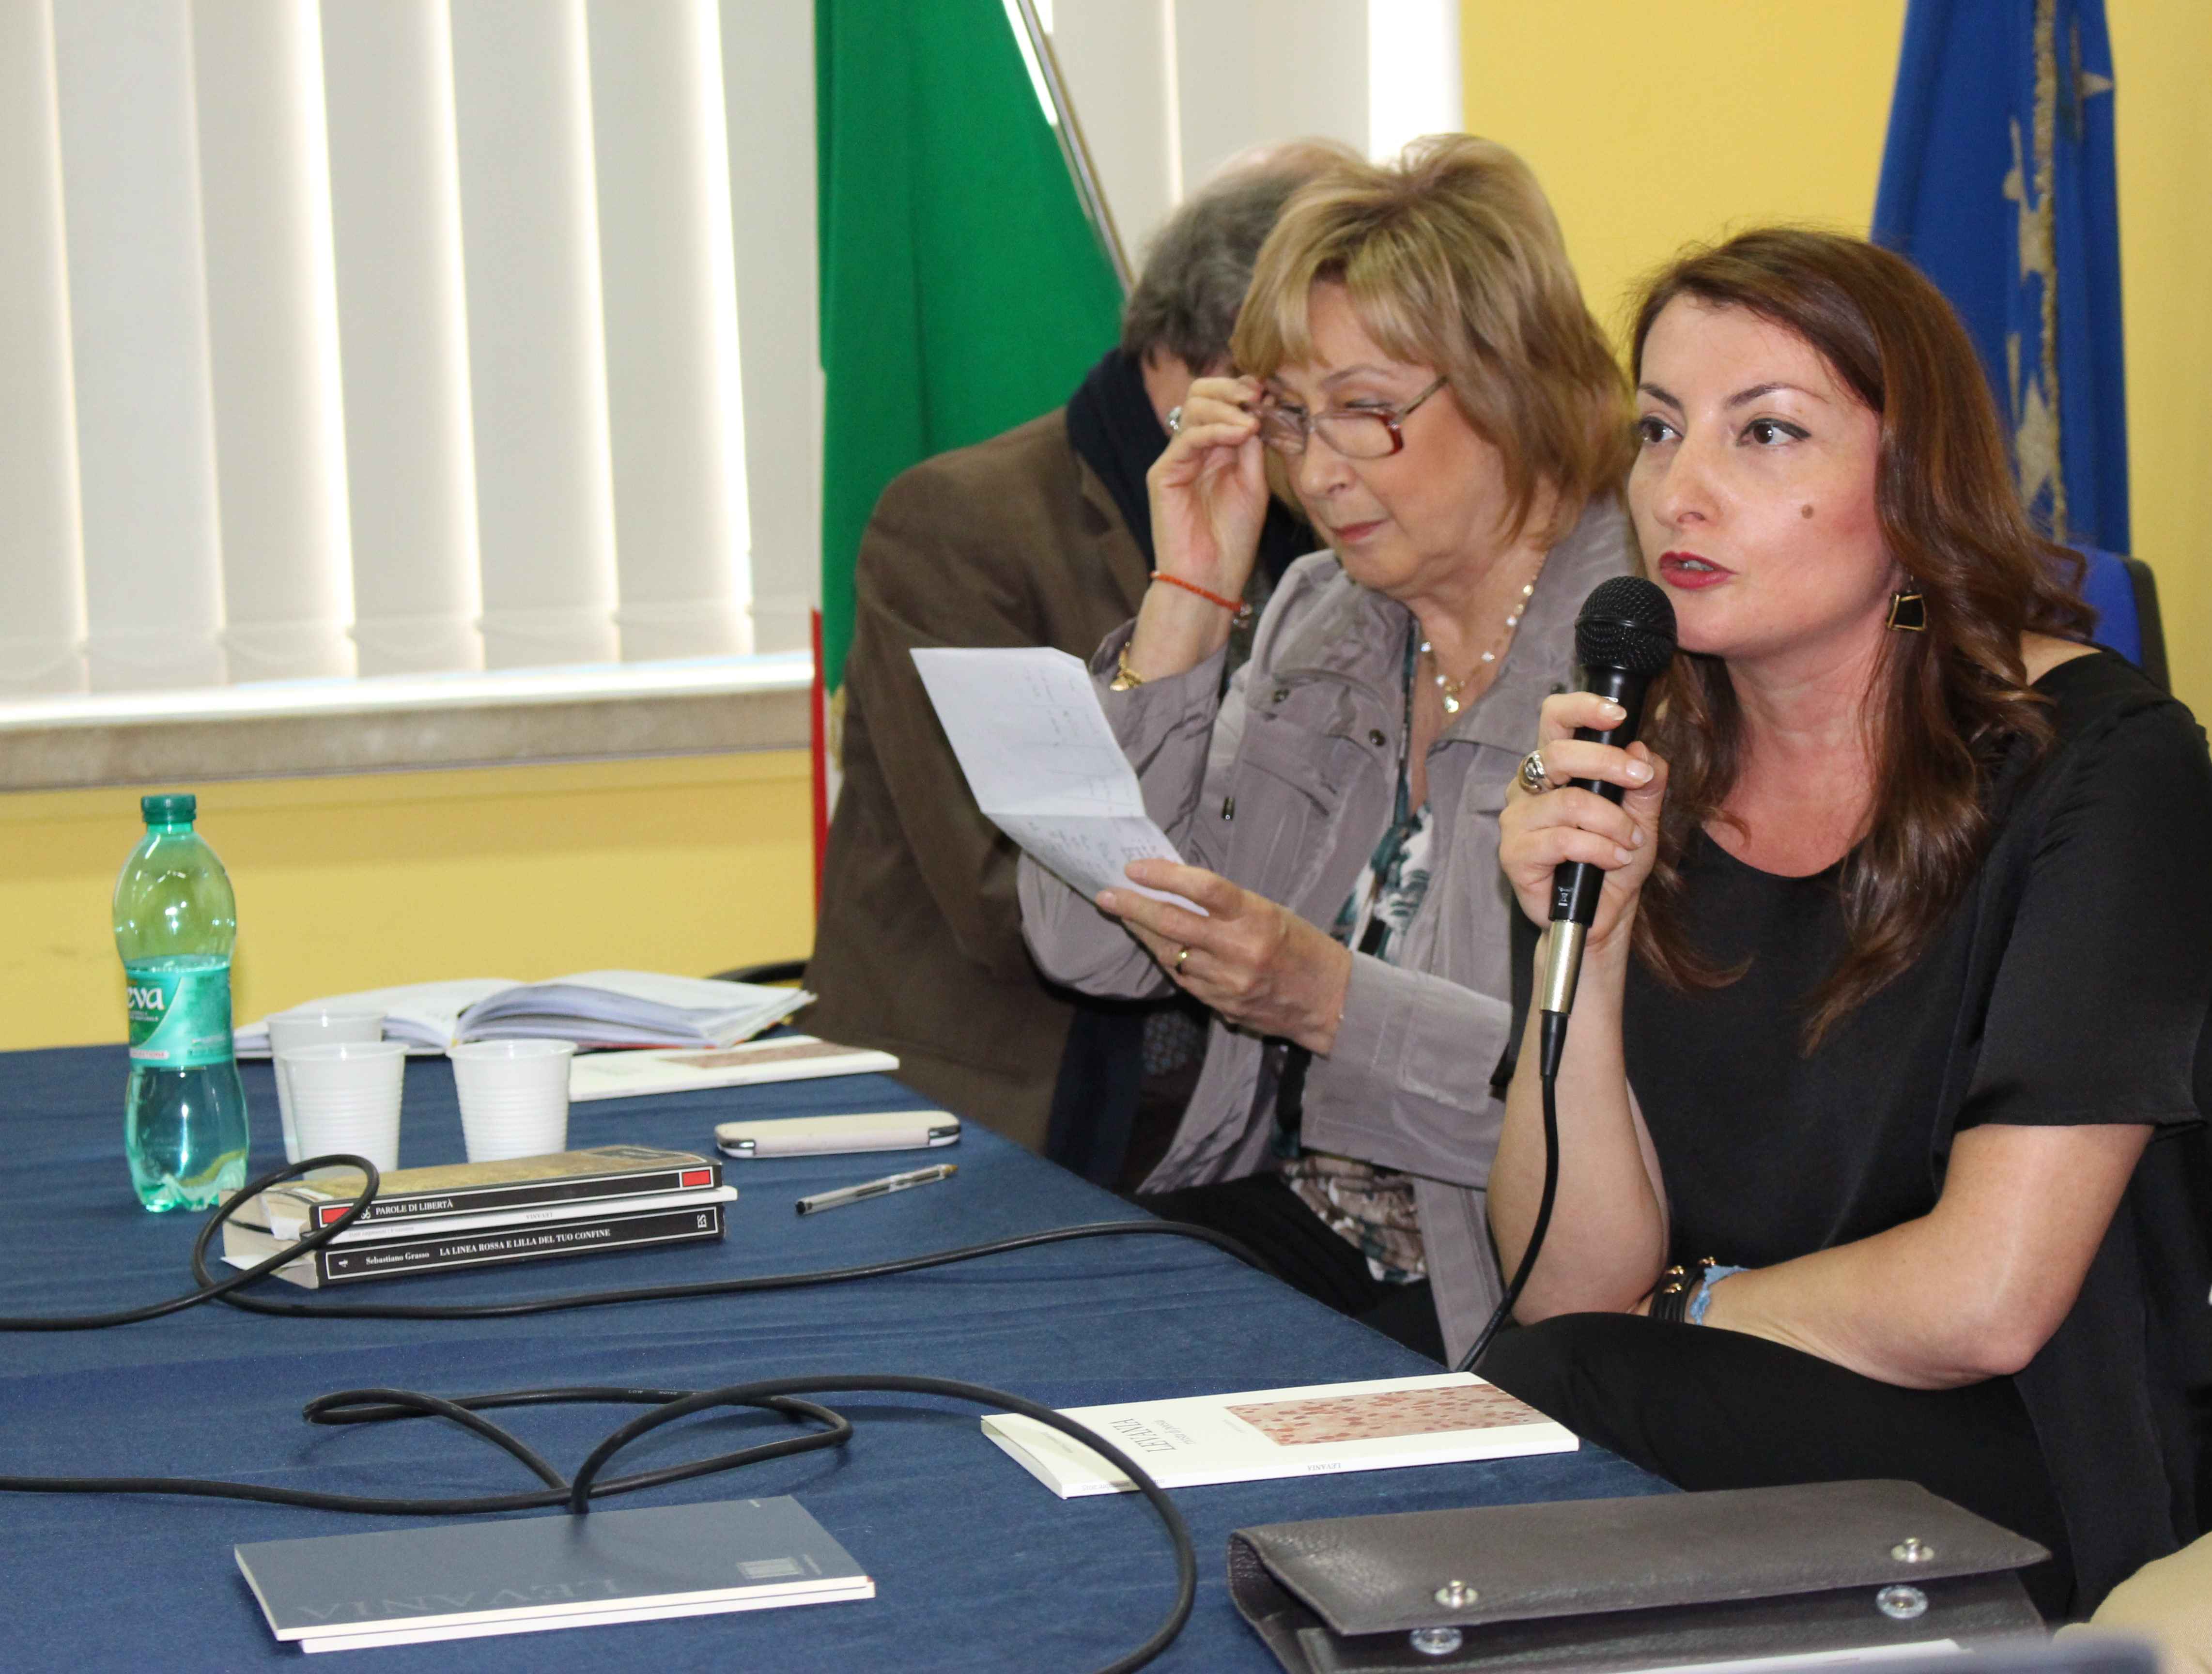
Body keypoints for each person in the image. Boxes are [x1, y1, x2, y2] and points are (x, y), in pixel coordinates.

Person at [1482, 229, 2212, 1619]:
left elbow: (1988, 1300)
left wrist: (1684, 1309)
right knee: (1525, 1398)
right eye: (1657, 430)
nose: (1681, 489)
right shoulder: (1626, 771)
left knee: (1548, 1399)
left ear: (1911, 483)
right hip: (1673, 1394)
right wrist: (1593, 938)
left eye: (1765, 433)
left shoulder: (2108, 769)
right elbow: (1564, 1283)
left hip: (2027, 1453)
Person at [1017, 137, 1635, 1364]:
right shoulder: (1324, 615)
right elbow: (1089, 945)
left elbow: (1641, 1112)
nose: (1317, 467)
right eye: (1291, 418)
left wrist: (1334, 1002)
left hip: (1502, 1277)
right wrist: (1190, 588)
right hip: (1307, 1211)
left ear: (1514, 383)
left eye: (1364, 410)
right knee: (1019, 1339)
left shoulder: (1633, 649)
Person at [805, 146, 1345, 1160]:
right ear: (1242, 352)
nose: (1338, 440)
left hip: (1249, 1089)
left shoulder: (1326, 519)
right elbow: (998, 891)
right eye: (1323, 385)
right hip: (1013, 1089)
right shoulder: (962, 523)